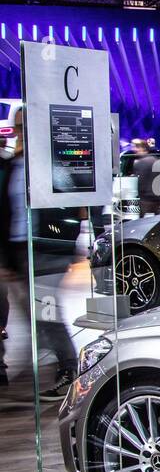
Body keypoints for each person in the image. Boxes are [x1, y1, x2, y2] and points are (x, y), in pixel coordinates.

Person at [0, 107, 77, 398]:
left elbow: (73, 205)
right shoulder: (13, 166)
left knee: (47, 310)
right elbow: (5, 213)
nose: (22, 130)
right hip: (21, 250)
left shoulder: (52, 163)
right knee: (33, 314)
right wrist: (8, 258)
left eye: (26, 124)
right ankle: (52, 364)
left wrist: (66, 245)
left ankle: (70, 368)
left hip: (49, 249)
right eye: (18, 125)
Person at [131, 138, 160, 216]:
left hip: (145, 199)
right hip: (157, 197)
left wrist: (139, 194)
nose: (134, 149)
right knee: (157, 222)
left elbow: (141, 182)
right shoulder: (156, 161)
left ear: (142, 148)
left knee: (141, 223)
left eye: (135, 147)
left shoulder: (139, 163)